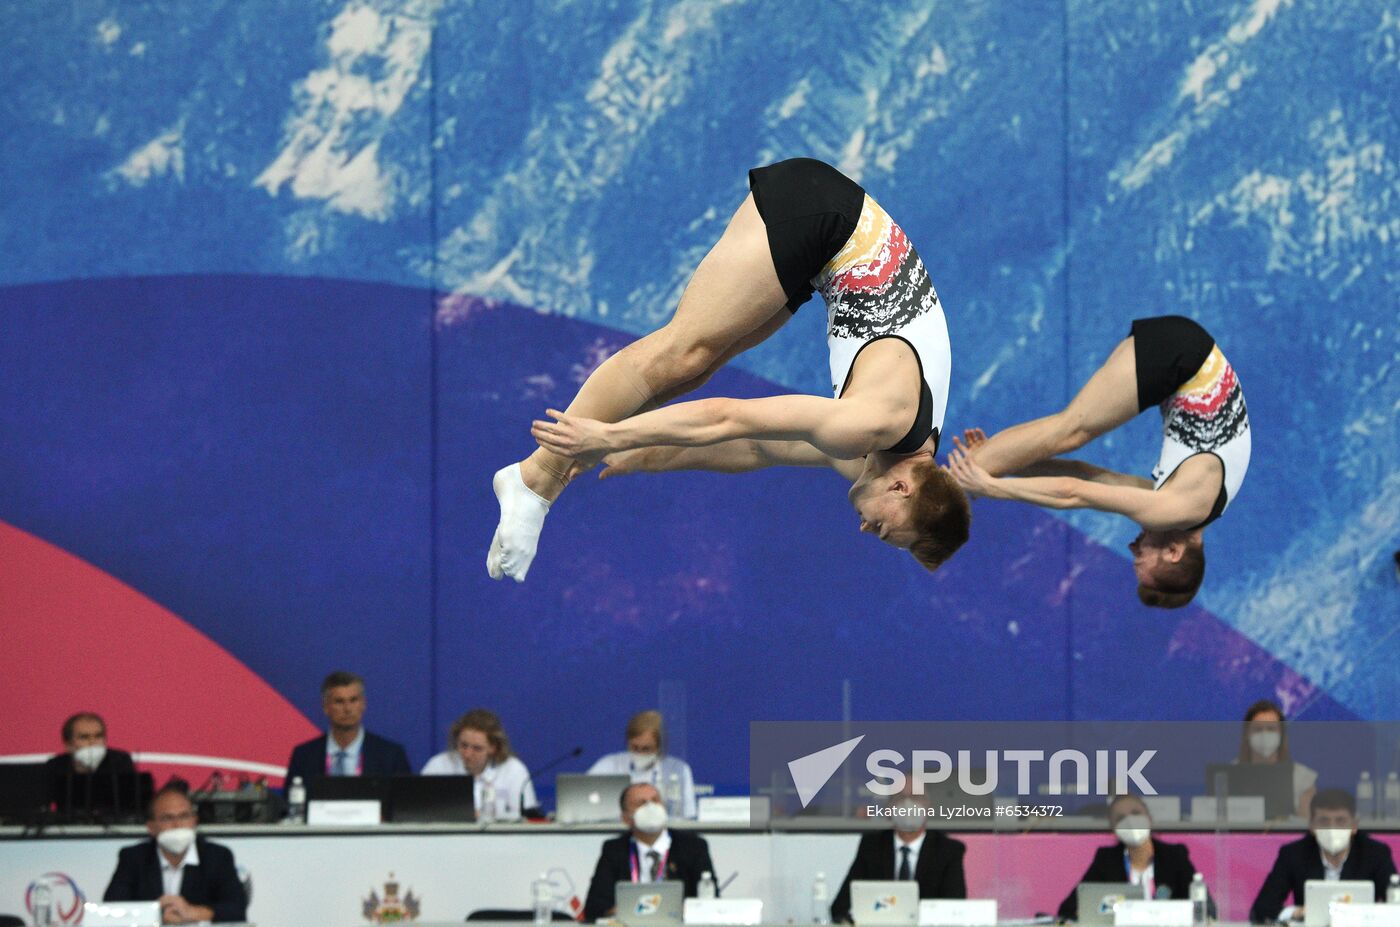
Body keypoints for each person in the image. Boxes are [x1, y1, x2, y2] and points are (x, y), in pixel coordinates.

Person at [489, 157, 969, 582]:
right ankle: (535, 479)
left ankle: (547, 476)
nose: (865, 528)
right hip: (821, 211)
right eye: (883, 529)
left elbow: (755, 447)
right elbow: (730, 417)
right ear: (903, 488)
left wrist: (652, 452)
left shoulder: (879, 456)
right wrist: (611, 436)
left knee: (698, 369)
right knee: (684, 351)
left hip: (830, 251)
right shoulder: (871, 424)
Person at [947, 316, 1250, 607]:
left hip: (1184, 353)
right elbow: (1072, 493)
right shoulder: (1175, 508)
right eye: (1140, 557)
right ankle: (934, 489)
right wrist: (990, 486)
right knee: (1071, 431)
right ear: (1173, 552)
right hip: (1182, 357)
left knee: (1065, 433)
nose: (1132, 547)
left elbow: (1087, 475)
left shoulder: (1185, 504)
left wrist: (1006, 463)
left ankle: (963, 471)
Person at [103, 780, 248, 923]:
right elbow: (112, 909)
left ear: (195, 821)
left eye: (184, 816)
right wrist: (156, 913)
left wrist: (191, 913)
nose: (177, 825)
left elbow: (236, 909)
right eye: (167, 818)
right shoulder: (133, 857)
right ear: (151, 827)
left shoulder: (217, 856)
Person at [1249, 788, 1397, 923]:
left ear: (1354, 826)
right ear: (1312, 826)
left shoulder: (1375, 853)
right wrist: (1296, 913)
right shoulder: (1293, 854)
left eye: (1340, 821)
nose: (1332, 828)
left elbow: (1396, 906)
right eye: (1324, 821)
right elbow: (1261, 909)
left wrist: (1372, 913)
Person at [1057, 794, 1212, 921]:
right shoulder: (1106, 860)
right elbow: (1067, 910)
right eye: (1121, 818)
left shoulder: (1174, 857)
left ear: (1149, 818)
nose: (1130, 822)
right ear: (1114, 829)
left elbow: (1208, 910)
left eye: (1136, 813)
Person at [582, 783, 717, 922]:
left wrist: (683, 910)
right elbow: (594, 908)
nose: (651, 807)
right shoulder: (614, 850)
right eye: (641, 803)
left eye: (655, 800)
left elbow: (711, 902)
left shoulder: (693, 846)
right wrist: (629, 911)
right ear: (626, 818)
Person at [830, 791, 966, 923]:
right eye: (900, 797)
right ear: (889, 807)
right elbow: (840, 907)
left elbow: (955, 909)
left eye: (915, 797)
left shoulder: (948, 850)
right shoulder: (872, 846)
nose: (908, 804)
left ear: (928, 805)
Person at [285, 671, 411, 782]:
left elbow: (405, 801)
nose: (347, 709)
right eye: (339, 701)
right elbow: (291, 800)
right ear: (325, 707)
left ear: (363, 704)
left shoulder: (391, 756)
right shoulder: (304, 756)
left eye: (353, 700)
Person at [420, 708, 537, 819]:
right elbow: (419, 811)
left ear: (493, 747)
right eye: (463, 745)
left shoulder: (513, 770)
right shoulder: (438, 766)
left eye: (477, 748)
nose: (467, 754)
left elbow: (526, 818)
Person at [588, 711, 697, 819]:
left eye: (646, 749)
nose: (639, 753)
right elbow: (584, 802)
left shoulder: (678, 770)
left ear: (659, 747)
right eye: (634, 747)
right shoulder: (608, 765)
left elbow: (687, 815)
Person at [1237, 699, 1317, 819]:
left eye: (1271, 729)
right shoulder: (1229, 775)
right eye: (1258, 729)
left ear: (1282, 734)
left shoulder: (1303, 779)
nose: (1264, 735)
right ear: (1247, 734)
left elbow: (1307, 825)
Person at [44, 712, 136, 778]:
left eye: (98, 736)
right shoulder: (54, 767)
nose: (92, 742)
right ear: (68, 745)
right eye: (84, 737)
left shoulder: (120, 762)